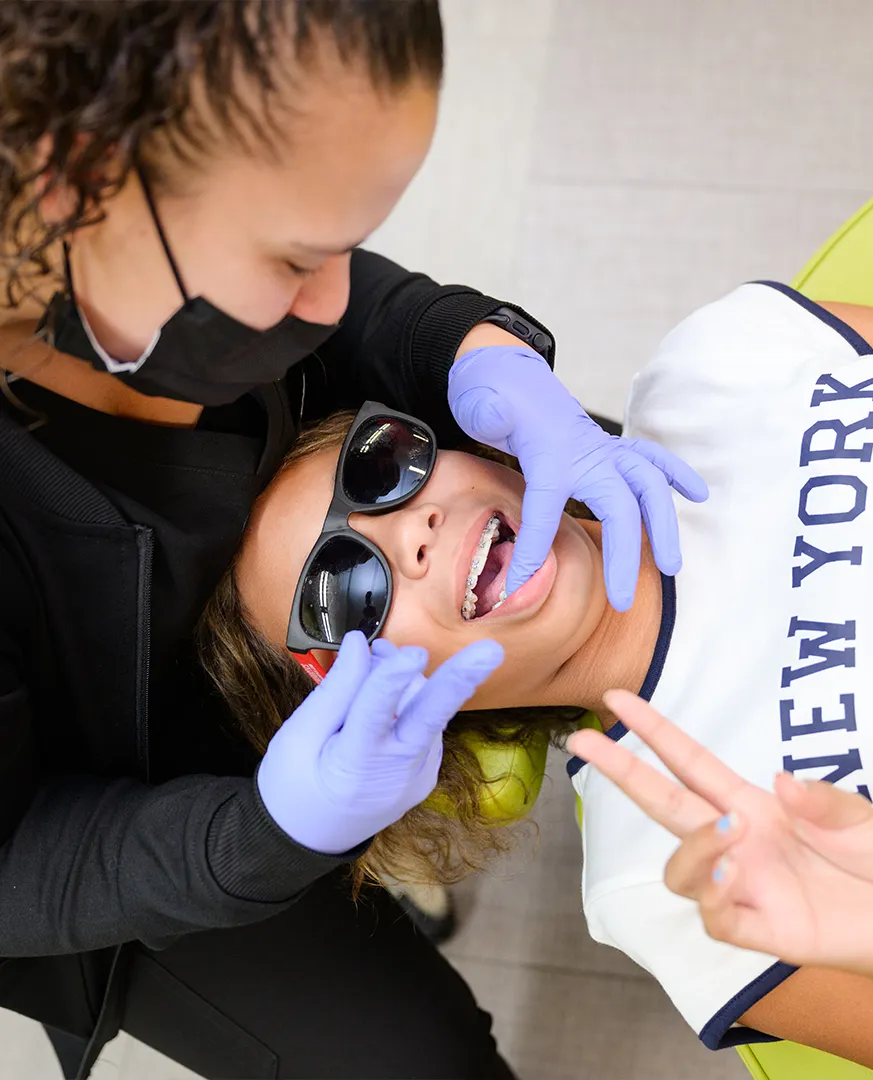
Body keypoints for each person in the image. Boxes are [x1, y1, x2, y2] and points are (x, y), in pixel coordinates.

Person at [0, 4, 702, 1079]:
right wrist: (262, 836)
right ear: (77, 186)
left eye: (345, 244)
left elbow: (356, 299)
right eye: (294, 259)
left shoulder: (161, 239)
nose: (332, 302)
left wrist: (465, 344)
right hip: (97, 824)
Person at [206, 280, 873, 1080]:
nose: (412, 530)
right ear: (371, 712)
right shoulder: (665, 871)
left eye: (378, 467)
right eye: (346, 591)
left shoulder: (721, 360)